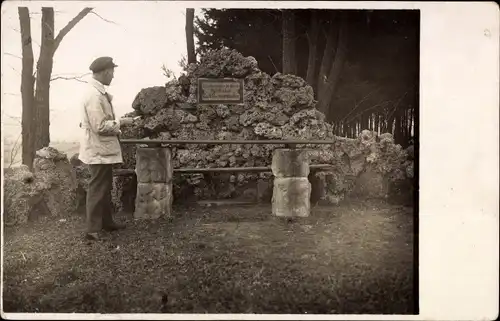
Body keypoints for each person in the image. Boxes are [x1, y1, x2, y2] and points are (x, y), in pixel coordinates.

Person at [78, 56, 135, 241]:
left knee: (103, 186)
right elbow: (100, 127)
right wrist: (121, 123)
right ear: (104, 72)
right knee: (97, 187)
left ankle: (106, 222)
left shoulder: (97, 92)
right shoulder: (94, 95)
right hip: (98, 150)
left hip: (101, 150)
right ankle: (92, 229)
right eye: (111, 72)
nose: (112, 76)